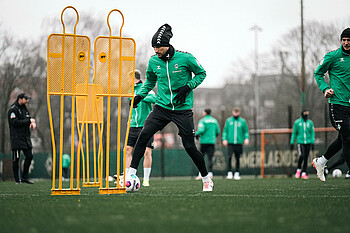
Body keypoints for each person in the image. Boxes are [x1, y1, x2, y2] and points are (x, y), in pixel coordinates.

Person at [128, 24, 214, 191]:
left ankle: (206, 178)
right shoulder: (153, 61)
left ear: (166, 45)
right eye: (153, 47)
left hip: (183, 109)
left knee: (189, 146)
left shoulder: (185, 58)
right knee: (144, 133)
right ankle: (131, 173)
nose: (155, 50)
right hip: (161, 107)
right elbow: (150, 82)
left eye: (158, 47)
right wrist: (140, 96)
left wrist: (188, 86)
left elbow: (202, 73)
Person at [313, 28, 350, 182]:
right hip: (337, 104)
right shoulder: (333, 56)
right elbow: (318, 73)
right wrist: (325, 88)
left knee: (344, 138)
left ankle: (321, 161)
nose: (346, 43)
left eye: (349, 40)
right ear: (341, 41)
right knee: (348, 136)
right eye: (344, 40)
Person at [124, 70, 156, 187]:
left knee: (147, 152)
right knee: (128, 150)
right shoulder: (129, 91)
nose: (127, 81)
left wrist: (140, 97)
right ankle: (128, 176)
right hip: (133, 125)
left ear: (134, 78)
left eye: (129, 78)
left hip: (145, 125)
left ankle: (146, 179)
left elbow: (154, 99)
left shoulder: (145, 88)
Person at [8, 93, 36, 184]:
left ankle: (24, 177)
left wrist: (31, 122)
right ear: (20, 99)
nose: (27, 101)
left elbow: (27, 119)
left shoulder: (25, 109)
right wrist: (28, 121)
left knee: (29, 156)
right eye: (25, 99)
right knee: (16, 159)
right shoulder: (13, 110)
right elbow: (15, 123)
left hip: (25, 138)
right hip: (16, 138)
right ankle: (17, 180)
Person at [222, 107, 249, 180]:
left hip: (239, 142)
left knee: (237, 158)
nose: (236, 113)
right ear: (232, 112)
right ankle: (229, 172)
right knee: (229, 157)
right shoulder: (229, 120)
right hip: (230, 142)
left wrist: (246, 138)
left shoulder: (242, 121)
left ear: (239, 113)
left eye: (237, 112)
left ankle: (237, 173)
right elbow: (225, 131)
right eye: (235, 112)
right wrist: (224, 139)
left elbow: (246, 131)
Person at [195, 108, 220, 180]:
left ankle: (201, 174)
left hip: (204, 142)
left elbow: (201, 130)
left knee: (200, 158)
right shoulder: (215, 121)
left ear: (205, 113)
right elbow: (217, 131)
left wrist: (196, 134)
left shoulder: (202, 121)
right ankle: (210, 173)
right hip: (212, 142)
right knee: (210, 158)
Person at [290, 110, 315, 179]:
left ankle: (304, 172)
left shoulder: (310, 123)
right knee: (302, 155)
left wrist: (312, 142)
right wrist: (292, 142)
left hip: (308, 142)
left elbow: (312, 133)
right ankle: (298, 170)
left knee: (306, 157)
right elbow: (294, 133)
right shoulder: (297, 122)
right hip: (300, 142)